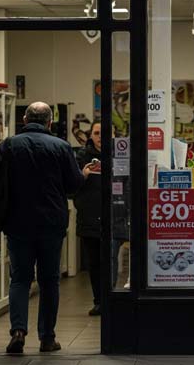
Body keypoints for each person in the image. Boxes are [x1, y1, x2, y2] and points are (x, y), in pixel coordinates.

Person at [0, 102, 84, 354]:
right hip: (51, 223)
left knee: (20, 278)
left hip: (18, 222)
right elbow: (73, 185)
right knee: (49, 280)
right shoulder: (61, 147)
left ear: (24, 118)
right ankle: (47, 338)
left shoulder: (9, 145)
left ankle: (18, 331)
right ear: (50, 122)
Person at [73, 121, 104, 316]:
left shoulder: (120, 154)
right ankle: (99, 301)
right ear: (90, 135)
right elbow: (70, 186)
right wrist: (82, 176)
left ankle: (112, 299)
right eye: (97, 132)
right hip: (89, 217)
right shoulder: (81, 156)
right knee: (94, 263)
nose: (101, 136)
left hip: (113, 216)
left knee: (111, 262)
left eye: (104, 132)